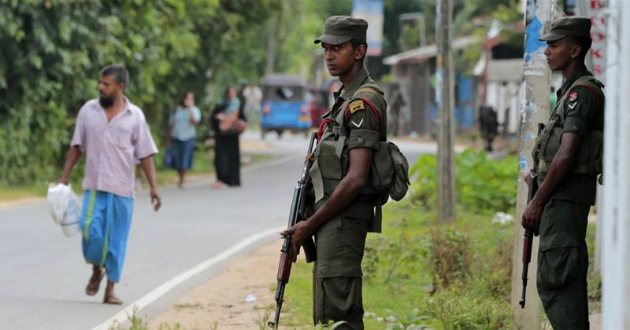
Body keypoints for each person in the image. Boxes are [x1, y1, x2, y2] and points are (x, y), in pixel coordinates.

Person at [281, 16, 387, 330]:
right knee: (327, 313)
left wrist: (310, 224)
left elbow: (356, 177)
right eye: (326, 47)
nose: (329, 55)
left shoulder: (362, 104)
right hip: (331, 220)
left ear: (359, 51)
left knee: (340, 316)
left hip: (342, 221)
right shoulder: (343, 101)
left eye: (337, 48)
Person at [522, 17, 604, 330]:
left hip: (564, 203)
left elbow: (567, 154)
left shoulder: (580, 94)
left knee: (559, 281)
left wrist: (537, 202)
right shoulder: (568, 91)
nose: (547, 51)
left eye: (554, 45)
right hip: (560, 201)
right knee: (556, 280)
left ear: (574, 50)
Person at [59, 65, 162, 305]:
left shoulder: (135, 116)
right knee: (90, 231)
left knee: (117, 240)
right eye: (100, 83)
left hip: (123, 189)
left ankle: (110, 289)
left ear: (120, 87)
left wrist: (154, 187)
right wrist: (65, 176)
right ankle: (97, 268)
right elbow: (77, 145)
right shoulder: (88, 110)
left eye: (106, 84)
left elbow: (145, 154)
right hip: (94, 186)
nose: (101, 88)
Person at [210, 87, 242, 188]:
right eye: (230, 93)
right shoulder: (220, 105)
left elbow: (243, 119)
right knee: (220, 158)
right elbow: (212, 118)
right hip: (221, 136)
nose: (232, 95)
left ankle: (233, 181)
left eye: (233, 93)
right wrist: (218, 117)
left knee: (233, 159)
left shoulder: (237, 105)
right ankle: (220, 179)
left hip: (232, 136)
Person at [168, 91, 201, 188]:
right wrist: (168, 137)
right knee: (177, 158)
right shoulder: (177, 110)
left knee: (185, 157)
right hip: (176, 136)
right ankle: (180, 176)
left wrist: (190, 108)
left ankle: (182, 178)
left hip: (188, 137)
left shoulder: (194, 110)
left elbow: (194, 122)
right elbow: (170, 124)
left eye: (190, 99)